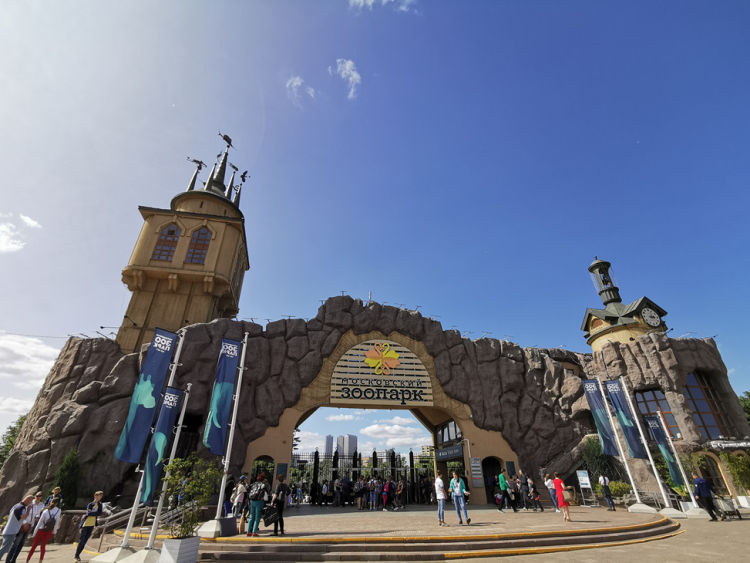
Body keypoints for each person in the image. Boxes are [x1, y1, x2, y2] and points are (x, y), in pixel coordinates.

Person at [7, 492, 45, 563]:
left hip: (30, 526)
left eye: (40, 496)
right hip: (23, 525)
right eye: (37, 495)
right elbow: (22, 513)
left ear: (41, 497)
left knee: (21, 544)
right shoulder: (30, 503)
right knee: (15, 543)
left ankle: (13, 560)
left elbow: (37, 514)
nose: (38, 497)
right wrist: (24, 523)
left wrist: (37, 517)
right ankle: (8, 560)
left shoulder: (41, 505)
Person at [0, 495, 33, 561]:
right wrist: (28, 510)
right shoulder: (22, 508)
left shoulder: (16, 505)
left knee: (5, 548)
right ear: (28, 500)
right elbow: (23, 517)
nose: (30, 503)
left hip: (8, 530)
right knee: (4, 549)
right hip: (11, 531)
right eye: (30, 502)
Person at [74, 491, 103, 561]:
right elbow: (88, 513)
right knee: (81, 541)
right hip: (86, 524)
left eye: (100, 496)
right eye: (98, 496)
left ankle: (78, 555)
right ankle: (76, 555)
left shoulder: (100, 504)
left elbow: (100, 513)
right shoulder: (90, 504)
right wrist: (95, 513)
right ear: (95, 496)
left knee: (84, 541)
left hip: (92, 525)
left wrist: (93, 513)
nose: (99, 497)